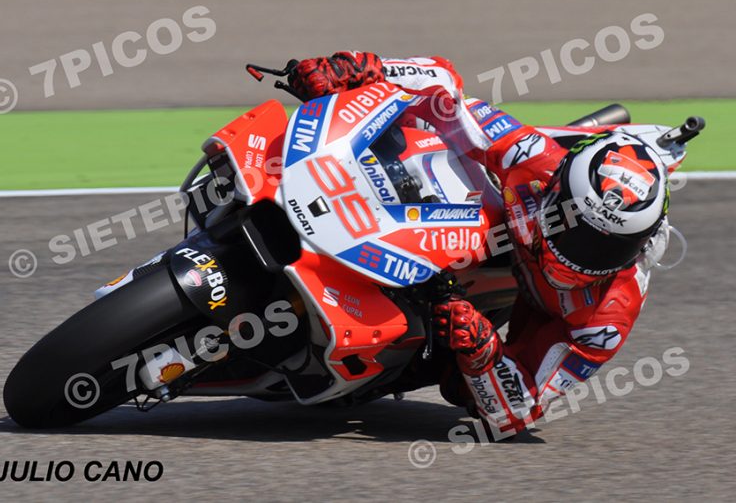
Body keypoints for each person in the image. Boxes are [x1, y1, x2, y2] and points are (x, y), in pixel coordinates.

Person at [286, 51, 670, 435]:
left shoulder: (604, 321)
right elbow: (443, 87)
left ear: (640, 245)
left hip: (522, 305)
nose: (582, 252)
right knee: (413, 125)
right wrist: (361, 69)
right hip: (479, 216)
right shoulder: (534, 157)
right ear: (556, 188)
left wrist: (482, 351)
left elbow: (518, 412)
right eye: (577, 229)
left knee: (459, 383)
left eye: (607, 248)